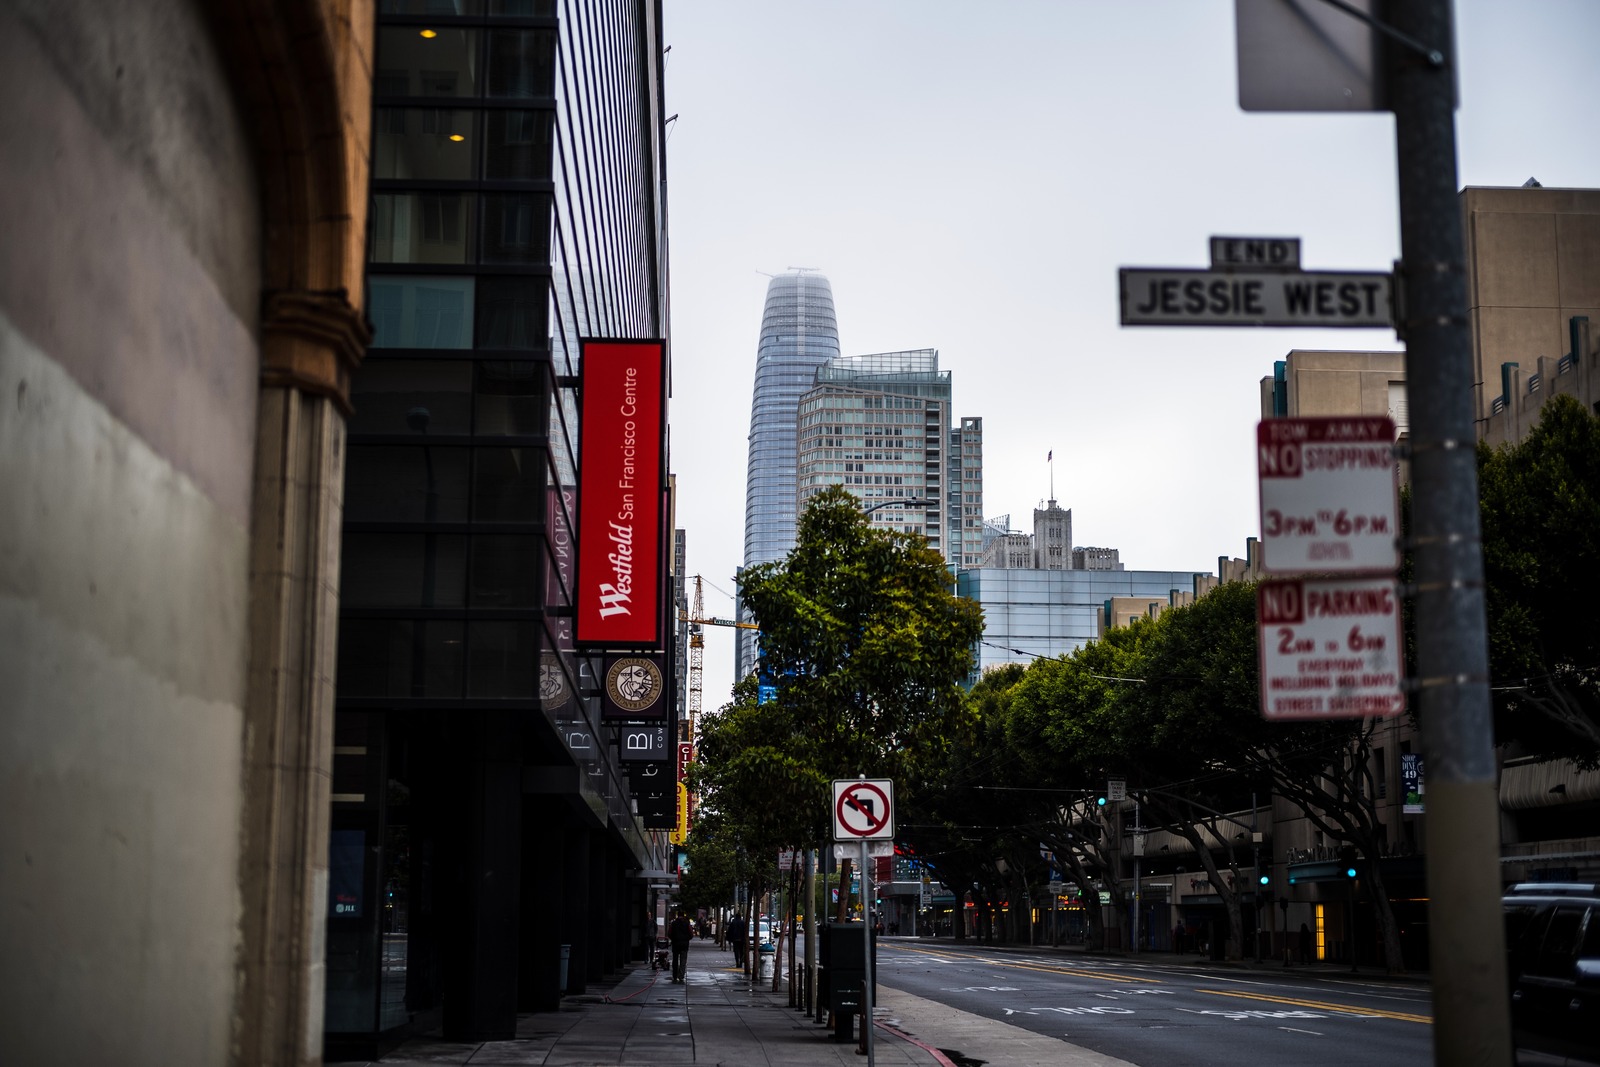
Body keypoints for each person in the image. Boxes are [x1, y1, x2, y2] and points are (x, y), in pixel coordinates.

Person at [668, 909, 694, 983]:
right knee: (683, 960)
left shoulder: (673, 923)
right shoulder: (686, 923)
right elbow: (691, 934)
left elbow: (669, 933)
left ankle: (675, 975)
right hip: (684, 945)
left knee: (675, 960)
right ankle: (681, 976)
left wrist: (673, 939)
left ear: (678, 915)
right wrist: (686, 939)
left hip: (675, 944)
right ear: (683, 916)